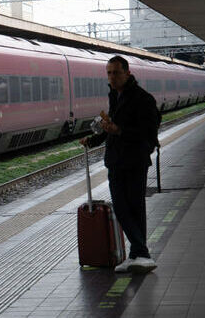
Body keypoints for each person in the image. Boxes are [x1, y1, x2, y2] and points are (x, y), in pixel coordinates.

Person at [80, 55, 160, 274]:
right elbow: (111, 127)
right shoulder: (115, 96)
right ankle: (138, 255)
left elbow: (149, 132)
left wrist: (120, 131)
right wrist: (94, 139)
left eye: (116, 72)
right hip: (116, 160)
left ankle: (141, 253)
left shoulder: (143, 99)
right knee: (127, 207)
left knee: (131, 207)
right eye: (108, 73)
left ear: (127, 73)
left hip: (134, 160)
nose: (112, 77)